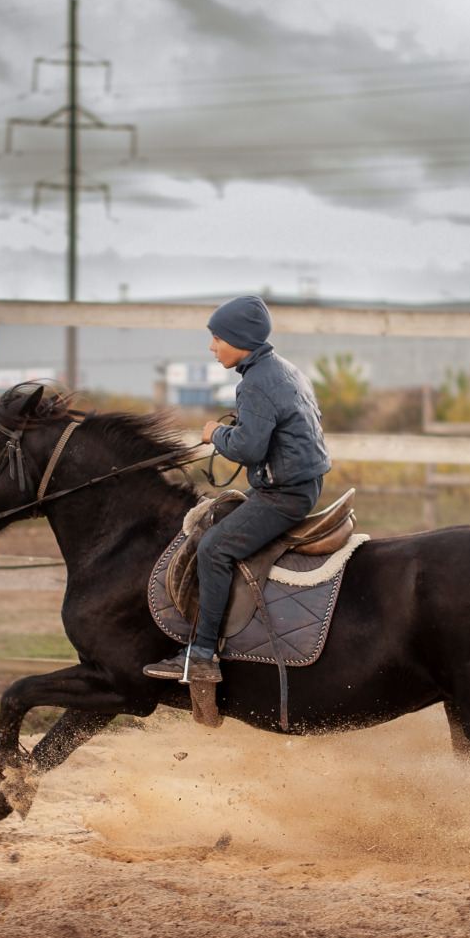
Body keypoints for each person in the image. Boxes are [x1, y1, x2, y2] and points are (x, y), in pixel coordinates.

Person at [144, 295, 332, 689]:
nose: (211, 348)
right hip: (298, 483)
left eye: (216, 338)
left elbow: (248, 449)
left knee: (214, 547)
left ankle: (201, 655)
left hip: (285, 494)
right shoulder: (282, 369)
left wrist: (216, 433)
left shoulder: (256, 384)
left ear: (240, 339)